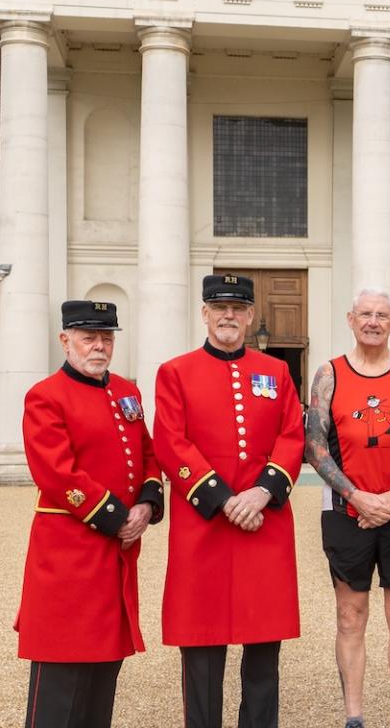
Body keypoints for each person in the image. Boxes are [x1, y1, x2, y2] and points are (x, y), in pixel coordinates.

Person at [155, 274, 305, 728]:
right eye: (220, 308)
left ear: (251, 316)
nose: (229, 316)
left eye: (238, 309)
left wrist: (262, 492)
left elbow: (291, 436)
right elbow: (170, 443)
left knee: (264, 648)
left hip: (265, 522)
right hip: (204, 527)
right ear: (204, 313)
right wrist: (223, 500)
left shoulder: (276, 371)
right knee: (201, 648)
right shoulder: (175, 372)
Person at [16, 299, 164, 728]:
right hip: (68, 554)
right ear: (66, 341)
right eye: (89, 337)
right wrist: (120, 517)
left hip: (115, 554)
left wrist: (147, 503)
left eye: (106, 337)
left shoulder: (126, 392)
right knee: (60, 671)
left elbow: (148, 455)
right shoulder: (45, 396)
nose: (99, 346)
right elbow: (57, 474)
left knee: (104, 670)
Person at [303, 288, 390, 728]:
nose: (373, 321)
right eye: (366, 314)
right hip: (348, 513)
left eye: (382, 315)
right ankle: (355, 717)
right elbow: (314, 444)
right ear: (351, 318)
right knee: (350, 615)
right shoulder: (329, 374)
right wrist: (358, 496)